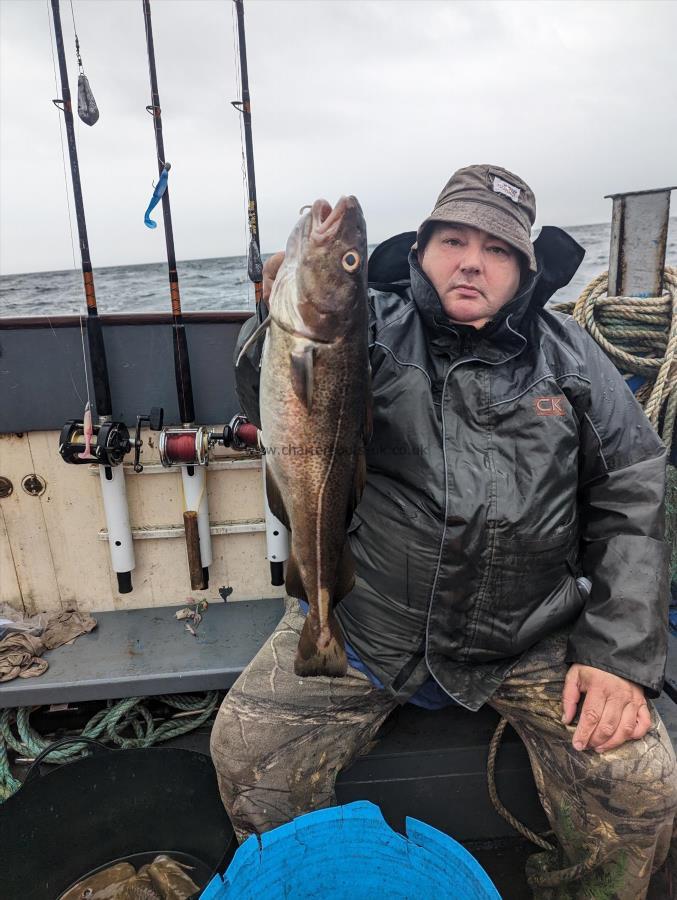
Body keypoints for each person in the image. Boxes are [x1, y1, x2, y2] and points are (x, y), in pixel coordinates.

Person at [211, 164, 677, 897]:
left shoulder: (570, 357)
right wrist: (267, 319)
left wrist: (618, 655)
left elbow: (633, 489)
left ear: (524, 270)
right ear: (421, 251)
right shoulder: (367, 328)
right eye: (452, 239)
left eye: (496, 249)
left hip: (527, 635)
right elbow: (276, 395)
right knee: (245, 747)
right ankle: (317, 879)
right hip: (369, 624)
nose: (470, 260)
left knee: (639, 779)